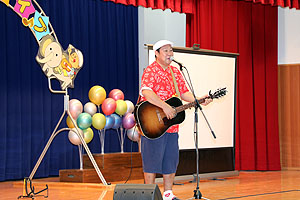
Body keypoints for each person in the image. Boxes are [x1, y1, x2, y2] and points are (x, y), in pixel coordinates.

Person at [139, 40, 212, 200]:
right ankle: (149, 195)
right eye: (165, 51)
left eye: (171, 50)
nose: (170, 54)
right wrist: (164, 106)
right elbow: (147, 92)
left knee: (170, 160)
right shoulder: (151, 71)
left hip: (171, 126)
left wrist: (198, 99)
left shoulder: (175, 71)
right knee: (151, 162)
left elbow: (184, 93)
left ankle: (167, 194)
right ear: (156, 53)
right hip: (153, 124)